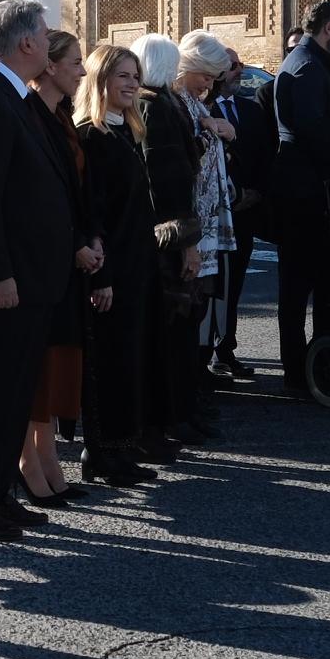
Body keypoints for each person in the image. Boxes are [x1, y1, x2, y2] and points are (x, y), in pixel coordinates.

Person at [0, 0, 86, 539]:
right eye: (44, 31)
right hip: (10, 281)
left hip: (35, 278)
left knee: (16, 392)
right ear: (28, 42)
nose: (49, 39)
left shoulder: (17, 98)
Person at [74, 44, 159, 485]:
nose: (131, 83)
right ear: (100, 79)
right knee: (108, 362)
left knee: (130, 360)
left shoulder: (126, 131)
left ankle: (123, 448)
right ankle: (101, 453)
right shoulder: (90, 137)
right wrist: (102, 276)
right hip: (111, 269)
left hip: (137, 264)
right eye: (122, 75)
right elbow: (92, 213)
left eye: (135, 75)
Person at [20, 28, 93, 502]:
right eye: (75, 62)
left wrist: (88, 239)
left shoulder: (60, 115)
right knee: (38, 365)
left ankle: (46, 452)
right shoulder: (30, 114)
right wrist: (75, 245)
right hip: (43, 260)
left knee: (55, 362)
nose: (83, 72)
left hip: (67, 258)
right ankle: (29, 457)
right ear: (49, 66)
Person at [267, 0, 330, 386]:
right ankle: (303, 371)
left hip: (308, 192)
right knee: (302, 285)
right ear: (328, 28)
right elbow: (315, 134)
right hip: (306, 197)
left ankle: (315, 365)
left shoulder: (308, 64)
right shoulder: (306, 68)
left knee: (315, 282)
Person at [134, 31, 211, 450]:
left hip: (166, 233)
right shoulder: (158, 106)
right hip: (169, 237)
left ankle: (180, 412)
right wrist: (187, 243)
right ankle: (174, 416)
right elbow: (170, 180)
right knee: (174, 330)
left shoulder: (157, 103)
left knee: (177, 329)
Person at [166, 34, 238, 433]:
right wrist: (210, 130)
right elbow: (182, 168)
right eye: (205, 76)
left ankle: (191, 396)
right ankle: (181, 405)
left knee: (198, 312)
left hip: (206, 221)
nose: (209, 85)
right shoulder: (176, 103)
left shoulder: (194, 102)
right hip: (191, 225)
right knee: (185, 315)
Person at [209, 54, 266, 380]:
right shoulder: (204, 110)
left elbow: (263, 154)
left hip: (244, 214)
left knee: (235, 283)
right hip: (215, 215)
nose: (239, 70)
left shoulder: (251, 109)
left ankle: (226, 348)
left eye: (240, 65)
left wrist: (254, 192)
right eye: (232, 66)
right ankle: (208, 351)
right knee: (213, 287)